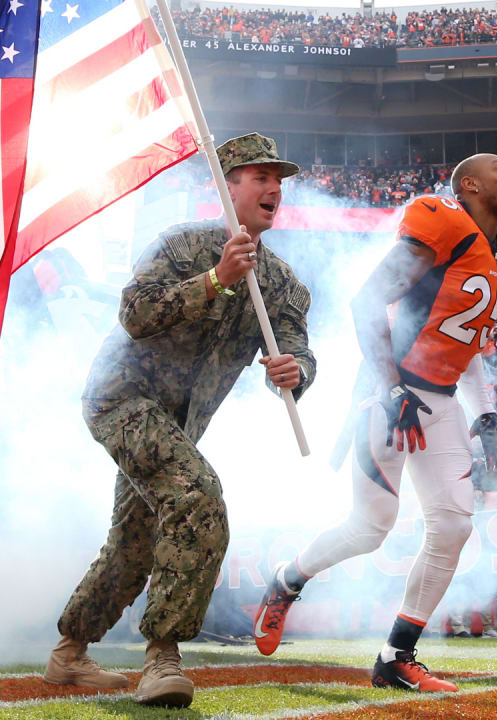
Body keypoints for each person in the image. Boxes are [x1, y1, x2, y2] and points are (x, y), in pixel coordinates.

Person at [44, 134, 316, 708]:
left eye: (279, 179)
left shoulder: (284, 284)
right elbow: (135, 314)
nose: (274, 188)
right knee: (196, 494)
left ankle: (69, 653)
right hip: (120, 400)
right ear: (227, 186)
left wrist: (295, 371)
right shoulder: (180, 246)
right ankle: (162, 656)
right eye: (259, 176)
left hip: (177, 426)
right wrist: (215, 279)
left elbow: (295, 352)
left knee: (134, 544)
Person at [252, 153, 497, 692]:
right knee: (372, 527)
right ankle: (286, 581)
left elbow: (467, 343)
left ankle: (397, 655)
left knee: (453, 525)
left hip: (441, 400)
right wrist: (390, 386)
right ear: (469, 184)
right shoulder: (443, 220)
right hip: (388, 390)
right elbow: (367, 300)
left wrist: (487, 411)